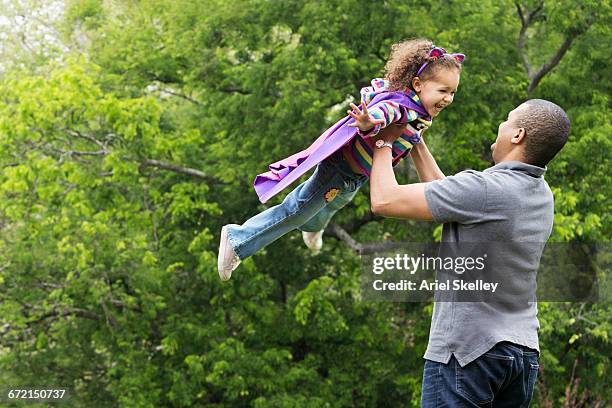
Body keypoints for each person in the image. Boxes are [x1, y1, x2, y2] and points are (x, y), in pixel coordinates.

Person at [365, 98, 570, 406]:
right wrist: (415, 141)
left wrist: (382, 141)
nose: (501, 125)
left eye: (507, 119)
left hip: (468, 353)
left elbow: (384, 200)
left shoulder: (486, 189)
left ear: (518, 135)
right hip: (522, 355)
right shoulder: (541, 195)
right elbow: (450, 199)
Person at [217, 39, 464, 280]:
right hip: (340, 169)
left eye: (452, 92)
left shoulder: (418, 108)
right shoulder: (403, 106)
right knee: (297, 211)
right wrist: (370, 122)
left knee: (334, 204)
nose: (448, 99)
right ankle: (238, 240)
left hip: (355, 176)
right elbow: (385, 112)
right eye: (443, 91)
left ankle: (313, 229)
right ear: (418, 84)